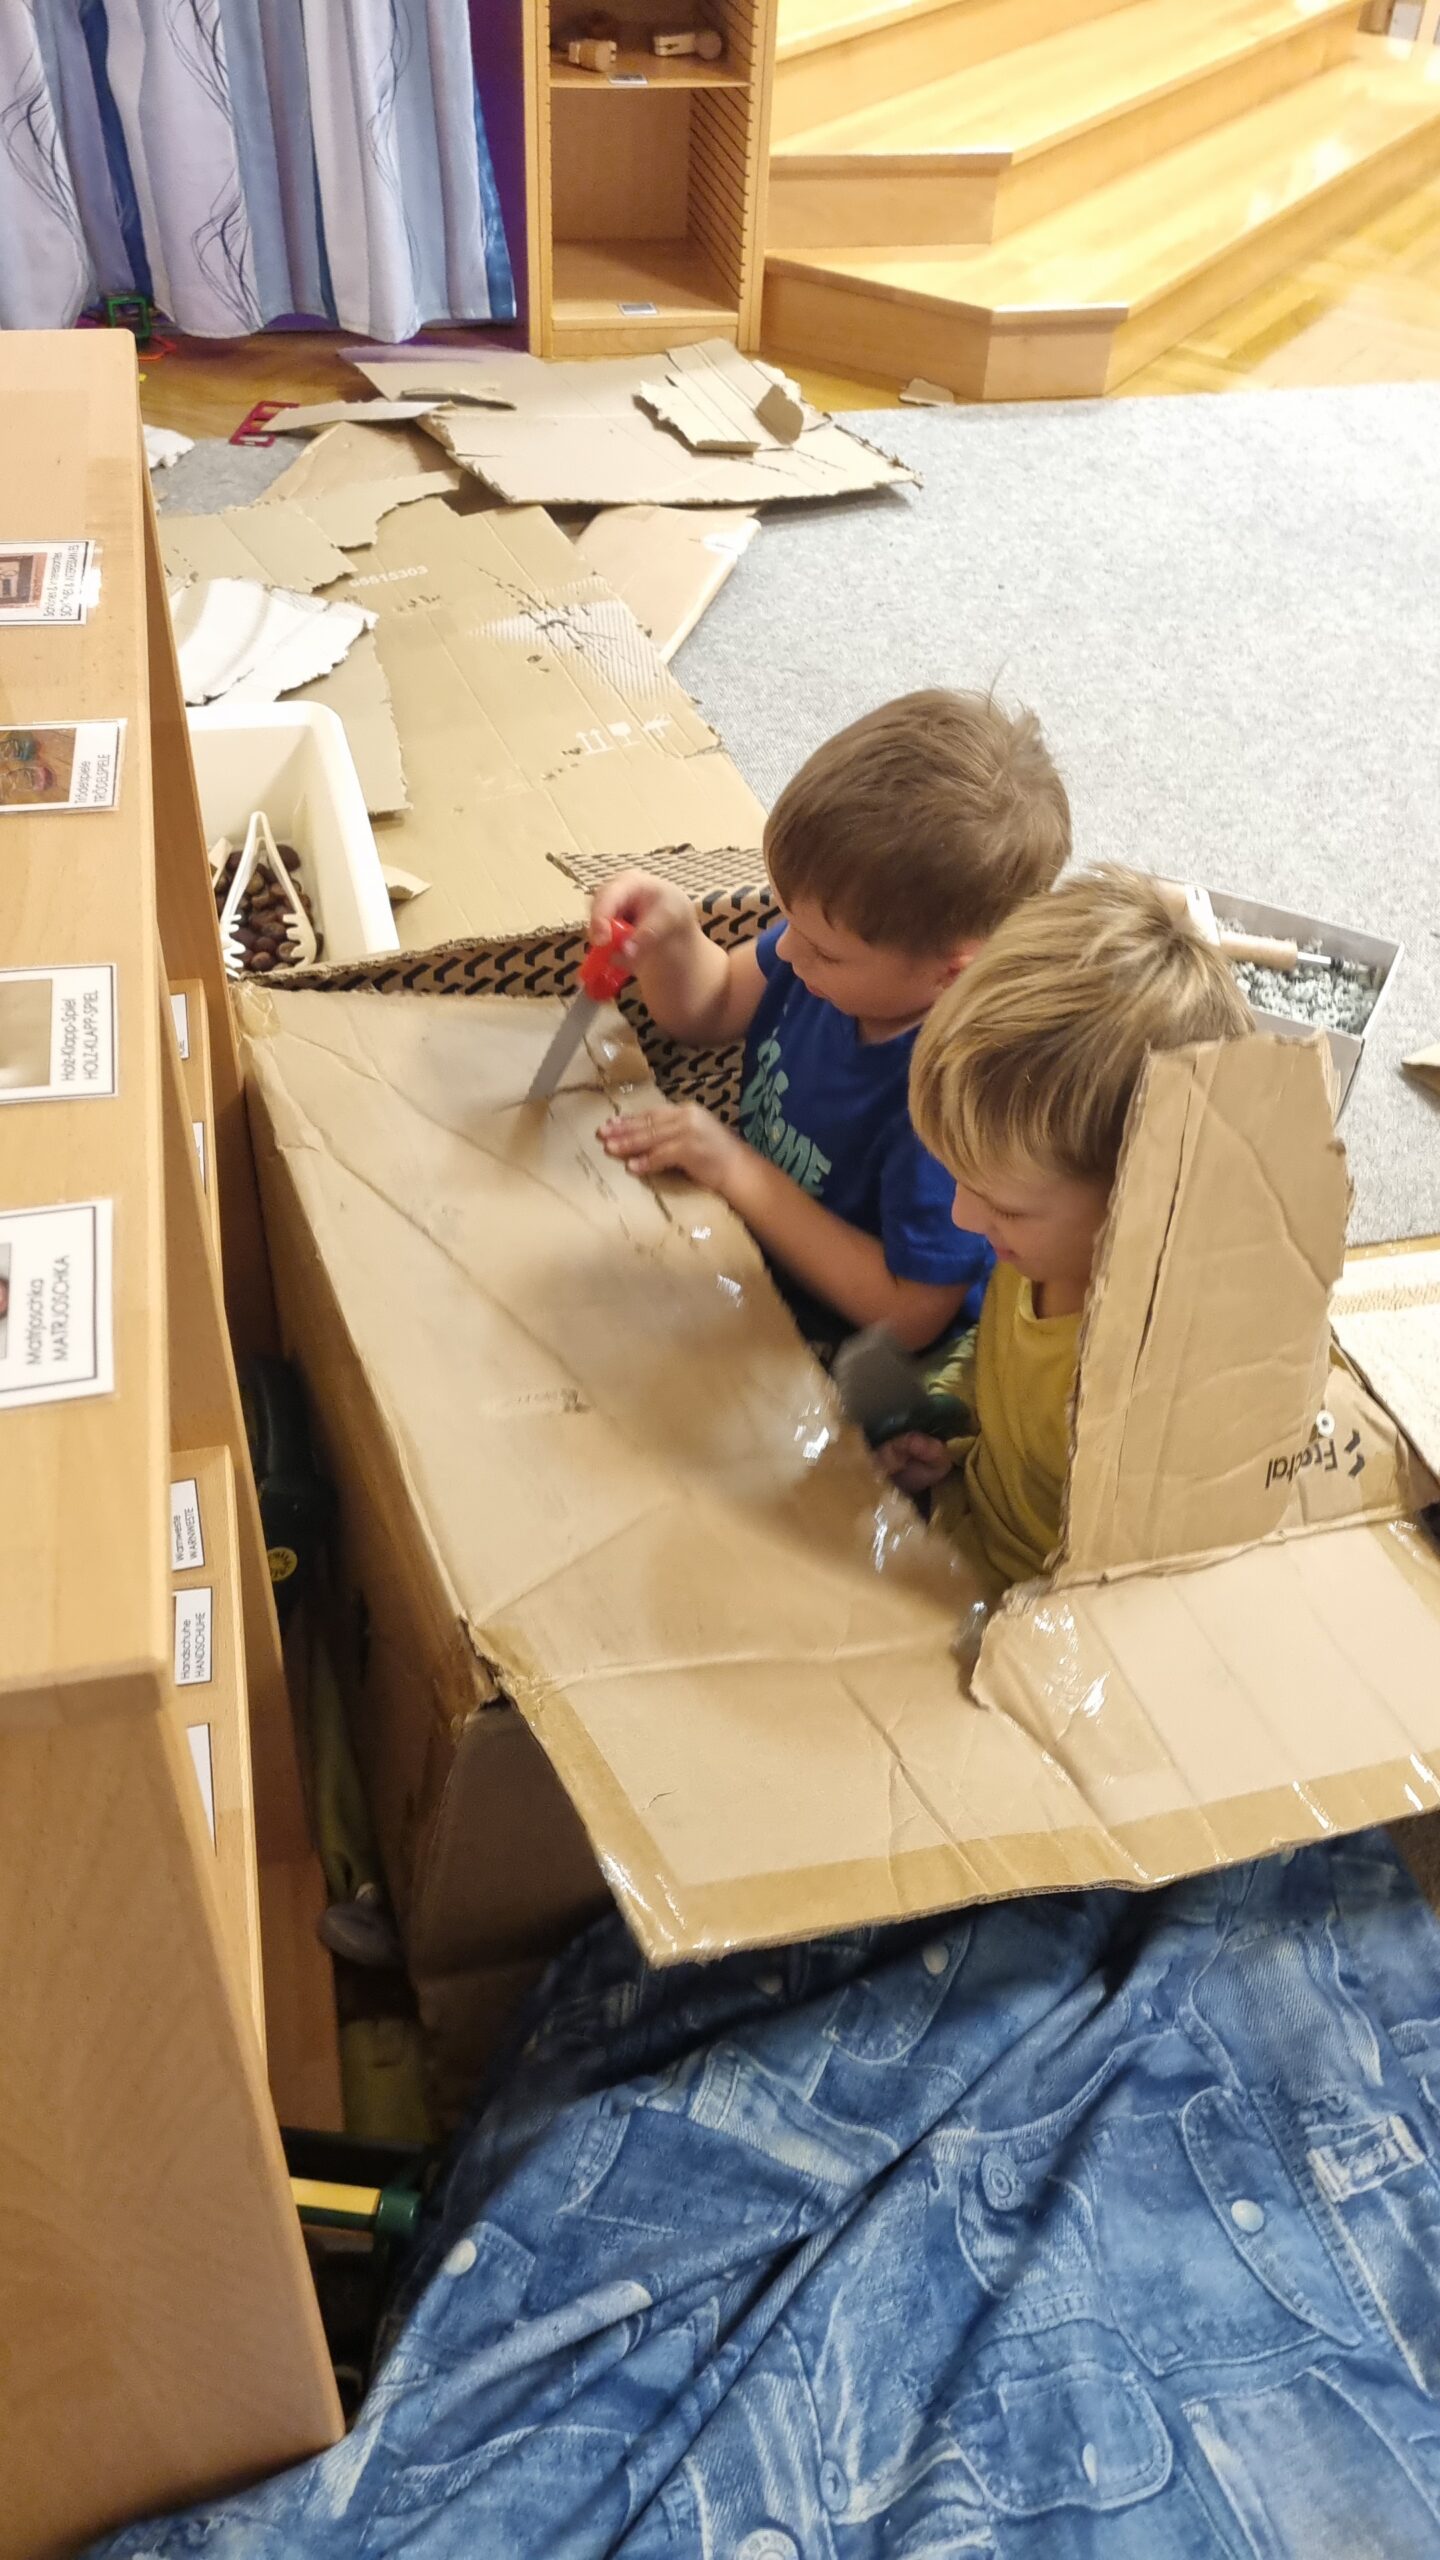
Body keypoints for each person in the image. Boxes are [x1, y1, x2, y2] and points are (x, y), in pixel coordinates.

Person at [592, 689, 1071, 1354]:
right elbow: (710, 1007)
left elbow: (908, 1318)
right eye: (787, 919)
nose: (787, 952)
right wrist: (672, 938)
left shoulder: (956, 1101)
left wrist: (734, 1169)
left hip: (863, 1349)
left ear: (951, 973)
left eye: (822, 950)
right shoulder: (829, 955)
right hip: (762, 1252)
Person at [881, 863, 1253, 1590]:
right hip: (961, 1520)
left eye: (1005, 1206)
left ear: (1143, 1198)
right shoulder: (1041, 1248)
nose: (962, 1217)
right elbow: (1002, 1366)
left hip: (1037, 1612)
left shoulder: (1150, 1383)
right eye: (960, 1180)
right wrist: (947, 1423)